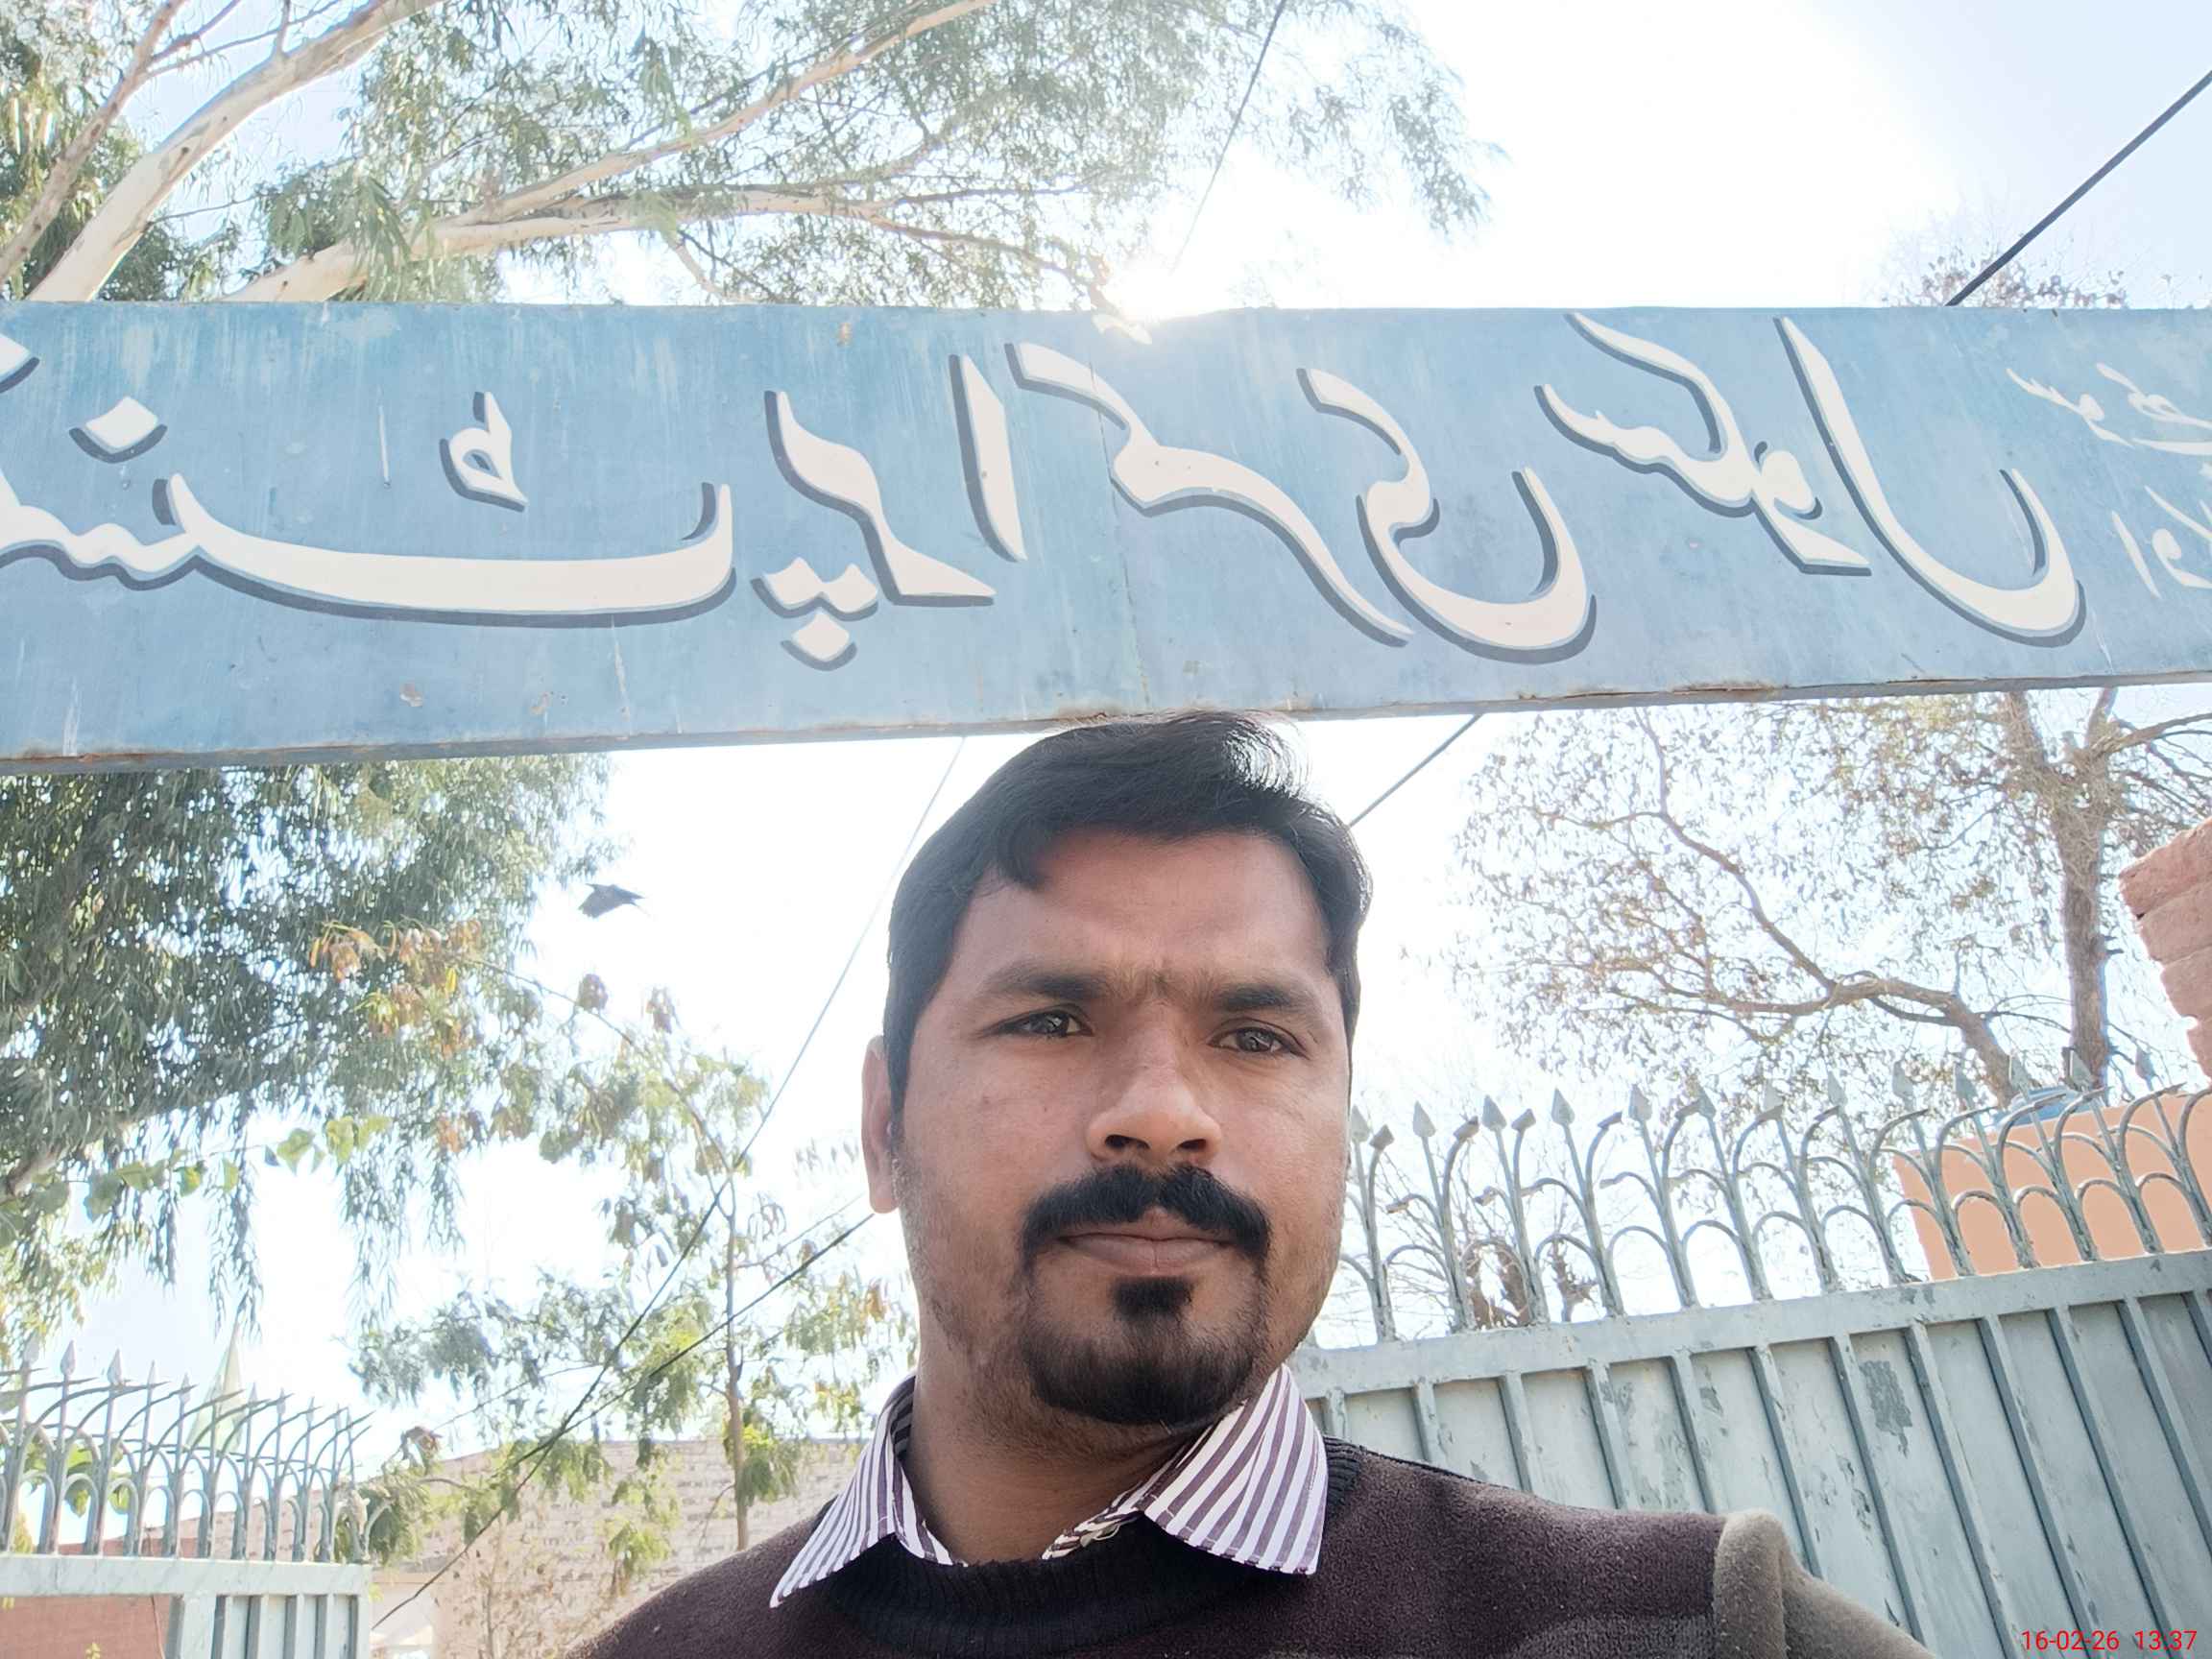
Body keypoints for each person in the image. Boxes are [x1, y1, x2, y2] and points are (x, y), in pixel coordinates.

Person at [578, 713, 1930, 1659]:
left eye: (1258, 1037)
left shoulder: (1697, 1630)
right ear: (884, 1127)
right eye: (1050, 1019)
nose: (1163, 1114)